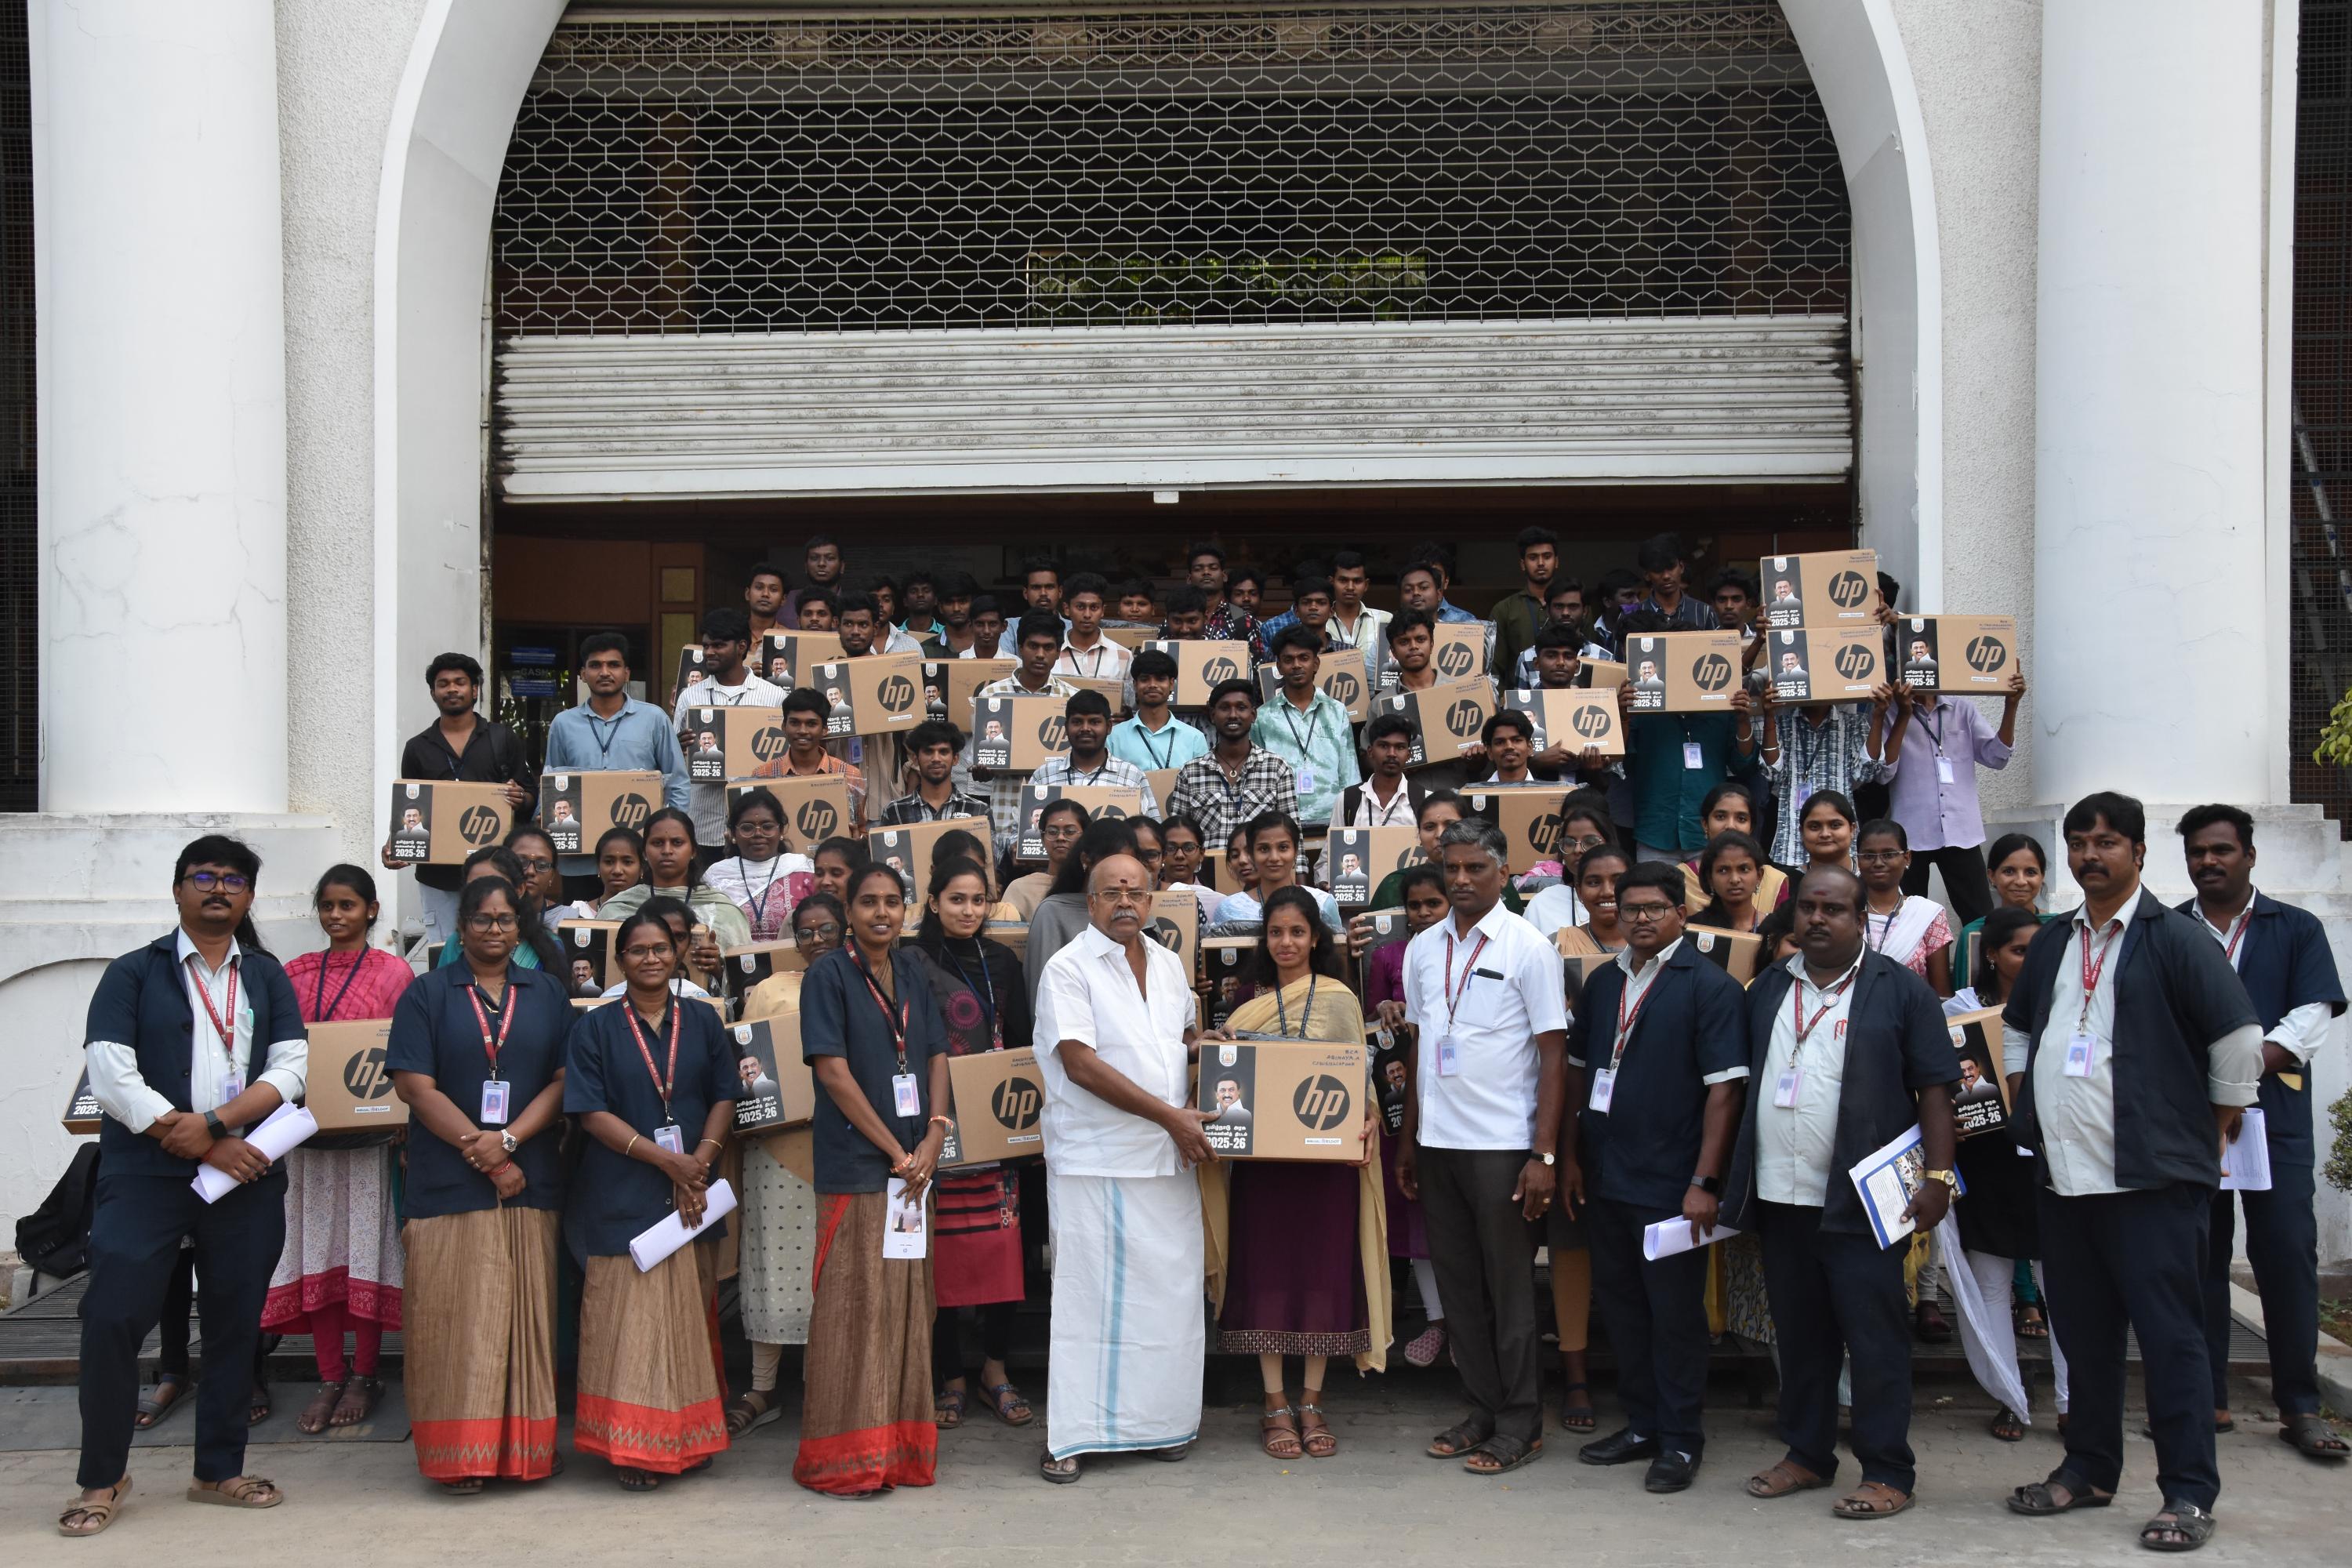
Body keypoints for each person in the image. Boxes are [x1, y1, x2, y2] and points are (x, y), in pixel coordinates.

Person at [2000, 792, 2263, 1552]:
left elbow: (2241, 1038)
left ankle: (2187, 1490)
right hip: (2066, 1178)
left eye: (2107, 841)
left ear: (2139, 852)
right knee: (2084, 1339)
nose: (2091, 854)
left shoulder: (2174, 937)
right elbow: (2017, 1030)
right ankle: (2088, 1468)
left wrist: (2209, 1130)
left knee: (2171, 1339)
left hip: (2151, 1181)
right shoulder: (2053, 939)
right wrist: (2028, 1104)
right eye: (2079, 841)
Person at [64, 837, 307, 1537]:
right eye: (204, 877)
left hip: (241, 1174)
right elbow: (109, 1073)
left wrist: (217, 1128)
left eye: (234, 880)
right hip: (145, 1173)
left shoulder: (264, 976)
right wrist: (184, 1130)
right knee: (112, 1318)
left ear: (250, 897)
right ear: (177, 890)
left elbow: (291, 1067)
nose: (218, 889)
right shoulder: (133, 973)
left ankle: (217, 1471)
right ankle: (102, 1477)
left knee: (234, 1323)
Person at [1723, 864, 1958, 1519]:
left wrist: (1939, 1178)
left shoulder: (1901, 992)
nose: (1817, 919)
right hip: (1781, 1195)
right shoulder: (1767, 987)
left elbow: (1936, 1089)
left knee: (1875, 1337)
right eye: (1807, 908)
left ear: (1862, 920)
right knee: (1800, 1336)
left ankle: (1888, 1471)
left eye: (1834, 910)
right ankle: (1807, 1454)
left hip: (1861, 1200)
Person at [1566, 861, 1747, 1494]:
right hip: (1609, 1175)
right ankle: (1642, 1424)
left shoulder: (1710, 987)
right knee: (1622, 1308)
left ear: (1681, 913)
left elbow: (1724, 1095)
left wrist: (1705, 1181)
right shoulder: (1602, 984)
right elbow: (1581, 1074)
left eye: (1652, 909)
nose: (1638, 918)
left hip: (1672, 1183)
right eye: (1628, 907)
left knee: (1674, 1315)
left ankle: (1680, 1438)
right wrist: (1571, 1160)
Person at [2175, 804, 2349, 1458]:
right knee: (2198, 1259)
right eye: (2197, 853)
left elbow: (2310, 1019)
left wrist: (2232, 1074)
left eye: (2221, 850)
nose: (2208, 862)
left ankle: (2300, 1406)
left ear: (2249, 855)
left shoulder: (2295, 928)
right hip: (2189, 1124)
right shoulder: (2170, 931)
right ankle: (2206, 1399)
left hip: (2273, 1122)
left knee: (2285, 1258)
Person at [1392, 818, 1564, 1478]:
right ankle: (1482, 1408)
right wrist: (1409, 1139)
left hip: (1502, 1146)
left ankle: (1522, 1420)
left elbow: (1553, 1056)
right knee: (1461, 1289)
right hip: (1438, 1144)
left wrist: (1542, 1155)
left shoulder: (1527, 948)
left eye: (1474, 870)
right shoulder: (1422, 949)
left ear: (1502, 871)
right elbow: (1419, 1045)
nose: (1461, 880)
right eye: (1451, 869)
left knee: (1509, 1289)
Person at [1031, 853, 1211, 1482]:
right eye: (1111, 893)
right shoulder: (1067, 968)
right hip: (1097, 1157)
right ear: (1091, 900)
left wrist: (1207, 1056)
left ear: (1155, 896)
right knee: (1090, 1301)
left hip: (1166, 1157)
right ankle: (1074, 1435)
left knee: (1168, 1296)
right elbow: (1077, 1062)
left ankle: (1159, 1423)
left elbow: (1183, 1038)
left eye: (1136, 891)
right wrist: (1169, 1115)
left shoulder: (1166, 964)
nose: (1125, 903)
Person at [389, 874, 572, 1493]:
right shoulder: (428, 994)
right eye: (482, 919)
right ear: (461, 925)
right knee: (454, 1321)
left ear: (521, 927)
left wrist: (511, 1141)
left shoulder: (545, 991)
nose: (494, 930)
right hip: (449, 1183)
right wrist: (490, 1154)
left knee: (525, 1321)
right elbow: (415, 1086)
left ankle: (524, 1454)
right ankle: (459, 1458)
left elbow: (563, 1080)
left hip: (531, 1179)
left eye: (505, 920)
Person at [1202, 886, 1385, 1461]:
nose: (1286, 942)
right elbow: (1227, 1093)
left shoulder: (1339, 1000)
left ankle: (1313, 1400)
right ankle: (1275, 1402)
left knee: (1323, 1272)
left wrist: (1368, 1122)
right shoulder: (1243, 1009)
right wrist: (1219, 1049)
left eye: (1297, 932)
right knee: (1269, 1275)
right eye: (1276, 933)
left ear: (1316, 939)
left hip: (1326, 1165)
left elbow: (1362, 1084)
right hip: (1267, 1170)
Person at [793, 863, 953, 1498]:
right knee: (855, 1309)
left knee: (907, 1309)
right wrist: (896, 1151)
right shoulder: (829, 974)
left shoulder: (913, 970)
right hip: (862, 1169)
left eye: (892, 902)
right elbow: (832, 1072)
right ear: (848, 912)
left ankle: (899, 1452)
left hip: (916, 1167)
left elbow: (937, 1053)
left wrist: (936, 1135)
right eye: (868, 903)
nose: (882, 913)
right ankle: (845, 1458)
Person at [564, 909, 739, 1489]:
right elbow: (590, 1113)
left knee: (688, 1319)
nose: (651, 959)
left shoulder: (704, 1020)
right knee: (628, 1326)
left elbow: (725, 1094)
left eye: (661, 948)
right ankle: (635, 1450)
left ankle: (689, 1437)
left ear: (679, 952)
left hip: (692, 1190)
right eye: (638, 950)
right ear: (620, 961)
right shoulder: (594, 1027)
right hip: (622, 1191)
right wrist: (671, 1162)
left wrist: (699, 1165)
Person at [270, 867, 414, 1436]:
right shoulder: (295, 974)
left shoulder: (394, 973)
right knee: (315, 1254)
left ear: (372, 910)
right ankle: (330, 1375)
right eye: (327, 905)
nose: (336, 916)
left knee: (365, 1254)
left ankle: (365, 1373)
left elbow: (405, 1049)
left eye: (348, 905)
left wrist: (404, 1121)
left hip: (369, 1140)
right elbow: (280, 1047)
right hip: (306, 1137)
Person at [910, 856, 1036, 1432]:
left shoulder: (1002, 962)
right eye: (956, 899)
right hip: (935, 1125)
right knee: (941, 1265)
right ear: (934, 902)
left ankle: (994, 1370)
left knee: (1001, 1257)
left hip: (995, 1123)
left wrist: (1022, 1118)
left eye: (978, 900)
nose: (968, 910)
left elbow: (1022, 1041)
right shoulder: (912, 963)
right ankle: (950, 1377)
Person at [1944, 905, 2070, 1444]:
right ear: (1991, 954)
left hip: (2052, 1158)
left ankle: (2073, 1402)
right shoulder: (1960, 1010)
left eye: (2039, 950)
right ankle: (2008, 1396)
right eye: (2020, 950)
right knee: (1991, 1283)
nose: (2031, 960)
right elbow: (1948, 1088)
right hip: (1987, 1159)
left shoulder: (2067, 1005)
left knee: (2062, 1287)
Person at [724, 891, 846, 1437]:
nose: (817, 940)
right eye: (807, 932)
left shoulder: (866, 984)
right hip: (778, 1151)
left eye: (827, 930)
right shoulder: (772, 990)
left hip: (848, 1146)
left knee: (839, 1272)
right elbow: (751, 1065)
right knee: (774, 1265)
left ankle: (834, 1382)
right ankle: (763, 1387)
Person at [386, 652, 537, 949]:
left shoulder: (503, 738)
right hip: (439, 878)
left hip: (497, 870)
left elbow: (531, 798)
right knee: (445, 950)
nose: (452, 689)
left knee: (499, 946)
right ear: (433, 693)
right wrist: (395, 845)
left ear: (475, 689)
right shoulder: (417, 748)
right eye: (443, 684)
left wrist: (521, 797)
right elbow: (411, 809)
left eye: (460, 682)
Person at [1366, 864, 1451, 1366]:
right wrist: (1385, 1007)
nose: (1422, 914)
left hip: (1453, 1090)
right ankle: (1438, 1322)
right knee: (1414, 1213)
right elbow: (1369, 1014)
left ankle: (1467, 1324)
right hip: (1402, 1095)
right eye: (1414, 906)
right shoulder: (1389, 954)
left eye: (1431, 904)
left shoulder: (1458, 953)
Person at [1874, 667, 2028, 925]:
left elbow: (1997, 757)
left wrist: (2010, 705)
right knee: (1907, 923)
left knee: (1980, 919)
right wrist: (1903, 713)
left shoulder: (1963, 710)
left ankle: (1980, 966)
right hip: (1911, 835)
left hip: (1961, 832)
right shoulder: (1889, 712)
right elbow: (1883, 774)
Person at [1612, 609, 1758, 864]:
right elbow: (1621, 762)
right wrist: (1623, 714)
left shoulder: (1721, 706)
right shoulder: (1643, 708)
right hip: (1655, 833)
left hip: (1707, 837)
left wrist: (1743, 719)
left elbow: (1743, 765)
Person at [544, 633, 692, 884]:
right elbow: (553, 782)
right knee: (581, 921)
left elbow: (678, 782)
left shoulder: (654, 719)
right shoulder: (563, 724)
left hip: (638, 859)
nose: (604, 672)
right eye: (595, 665)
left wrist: (665, 835)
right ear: (582, 674)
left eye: (613, 665)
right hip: (581, 862)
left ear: (627, 673)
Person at [670, 607, 787, 849]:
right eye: (706, 646)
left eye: (718, 645)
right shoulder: (689, 697)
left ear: (741, 647)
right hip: (702, 825)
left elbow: (785, 759)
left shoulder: (774, 697)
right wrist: (679, 746)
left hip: (755, 830)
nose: (709, 652)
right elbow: (674, 764)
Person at [969, 614, 1083, 855]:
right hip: (1004, 812)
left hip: (1057, 820)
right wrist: (981, 769)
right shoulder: (992, 696)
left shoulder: (1072, 699)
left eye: (1048, 647)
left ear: (1058, 651)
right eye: (1033, 646)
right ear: (1020, 648)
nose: (1040, 654)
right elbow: (981, 759)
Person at [1755, 678, 1896, 866]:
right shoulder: (1782, 723)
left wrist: (1878, 716)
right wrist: (1770, 716)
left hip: (1839, 844)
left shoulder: (1852, 724)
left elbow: (1866, 772)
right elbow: (1771, 772)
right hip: (1792, 845)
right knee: (1795, 894)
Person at [596, 808, 753, 956]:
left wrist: (718, 970)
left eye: (677, 843)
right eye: (657, 843)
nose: (667, 851)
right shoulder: (616, 909)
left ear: (693, 851)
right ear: (644, 852)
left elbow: (742, 974)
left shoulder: (724, 911)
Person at [1166, 677, 1299, 849]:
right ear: (1213, 715)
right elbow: (1177, 837)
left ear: (1253, 715)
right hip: (1208, 874)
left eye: (1241, 708)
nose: (1233, 715)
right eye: (1225, 708)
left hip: (1262, 873)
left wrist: (1300, 874)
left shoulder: (1277, 768)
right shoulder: (1190, 772)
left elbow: (1294, 836)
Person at [1254, 623, 1359, 831]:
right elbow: (1258, 780)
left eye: (1304, 658)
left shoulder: (1337, 711)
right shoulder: (1263, 717)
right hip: (1281, 823)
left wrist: (1350, 822)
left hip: (1332, 821)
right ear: (1278, 667)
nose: (1296, 665)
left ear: (1316, 663)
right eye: (1288, 659)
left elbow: (1350, 774)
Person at [1025, 817, 1144, 1000]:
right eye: (1109, 863)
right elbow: (1041, 991)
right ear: (1086, 860)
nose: (1120, 872)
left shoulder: (1137, 909)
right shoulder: (1053, 913)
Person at [1855, 818, 1955, 996]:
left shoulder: (1928, 914)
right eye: (1869, 856)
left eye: (1888, 854)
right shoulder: (1846, 912)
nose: (1878, 863)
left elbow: (1941, 995)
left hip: (1912, 1019)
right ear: (1858, 860)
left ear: (1907, 857)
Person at [702, 786, 814, 940]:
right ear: (733, 834)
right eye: (747, 828)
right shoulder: (715, 877)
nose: (758, 834)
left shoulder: (803, 870)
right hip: (733, 963)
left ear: (781, 831)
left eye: (767, 827)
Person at [753, 686, 870, 833]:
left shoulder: (850, 775)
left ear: (825, 730)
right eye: (795, 723)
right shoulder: (762, 776)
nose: (802, 731)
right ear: (783, 726)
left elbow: (860, 829)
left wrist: (857, 839)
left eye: (811, 724)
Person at [1214, 810, 1344, 933]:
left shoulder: (1322, 904)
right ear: (1252, 855)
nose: (1274, 858)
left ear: (1295, 852)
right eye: (1264, 849)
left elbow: (1337, 952)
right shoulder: (1229, 910)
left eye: (1283, 847)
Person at [1031, 689, 1159, 815]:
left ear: (1109, 727)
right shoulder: (1044, 775)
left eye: (1094, 722)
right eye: (1077, 722)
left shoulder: (1133, 776)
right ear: (1066, 728)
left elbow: (1151, 830)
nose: (1085, 728)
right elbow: (1022, 831)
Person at [1954, 832, 2055, 985]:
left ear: (2042, 877)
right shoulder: (1974, 932)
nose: (2021, 881)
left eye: (2031, 872)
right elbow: (1963, 999)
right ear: (1992, 876)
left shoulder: (2058, 928)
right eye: (2009, 871)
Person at [1521, 804, 1617, 938]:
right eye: (1570, 842)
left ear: (1609, 844)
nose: (1578, 850)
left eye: (1590, 841)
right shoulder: (1542, 904)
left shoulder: (1629, 897)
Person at [1110, 648, 1211, 775]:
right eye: (1145, 679)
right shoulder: (1114, 737)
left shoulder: (1194, 738)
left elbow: (1200, 785)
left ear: (1171, 684)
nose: (1152, 685)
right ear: (1135, 685)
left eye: (1160, 679)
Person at [878, 719, 991, 826]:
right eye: (928, 752)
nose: (936, 758)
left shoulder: (979, 811)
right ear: (915, 759)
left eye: (943, 752)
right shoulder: (895, 812)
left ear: (955, 759)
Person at [1328, 712, 1425, 837]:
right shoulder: (1347, 800)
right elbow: (1331, 853)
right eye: (1384, 746)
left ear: (1408, 754)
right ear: (1370, 751)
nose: (1392, 753)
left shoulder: (1423, 800)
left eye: (1400, 747)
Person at [1489, 525, 1561, 675]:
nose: (1541, 563)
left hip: (1569, 695)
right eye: (1533, 557)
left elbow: (1590, 656)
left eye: (1547, 556)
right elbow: (1494, 667)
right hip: (1516, 694)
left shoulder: (1573, 606)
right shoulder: (1504, 609)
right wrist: (1501, 697)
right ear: (1523, 564)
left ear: (1556, 562)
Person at [1004, 797, 1087, 920]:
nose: (1061, 838)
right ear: (1042, 838)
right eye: (1053, 832)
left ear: (1086, 836)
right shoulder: (1021, 889)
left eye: (1070, 832)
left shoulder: (1095, 887)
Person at [1186, 540, 1264, 655]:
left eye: (1213, 568)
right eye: (1198, 569)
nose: (1206, 572)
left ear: (1224, 576)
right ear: (1189, 578)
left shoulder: (1243, 619)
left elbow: (1257, 667)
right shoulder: (1176, 618)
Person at [1690, 830, 1773, 935]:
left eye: (1744, 869)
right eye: (1723, 870)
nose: (1735, 879)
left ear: (1759, 876)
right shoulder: (1694, 929)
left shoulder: (1774, 930)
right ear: (1710, 878)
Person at [1054, 572, 1131, 683]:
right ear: (1066, 609)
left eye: (1094, 607)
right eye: (1080, 607)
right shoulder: (1052, 655)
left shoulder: (1123, 656)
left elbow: (1129, 699)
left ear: (1103, 610)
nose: (1087, 615)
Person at [1632, 532, 1719, 630]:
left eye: (1671, 567)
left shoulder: (1704, 613)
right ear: (1647, 575)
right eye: (1658, 570)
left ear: (1681, 567)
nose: (1666, 576)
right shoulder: (1632, 615)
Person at [569, 826, 646, 918]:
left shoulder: (653, 913)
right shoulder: (580, 912)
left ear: (642, 868)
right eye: (609, 862)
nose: (617, 870)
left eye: (627, 862)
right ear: (598, 866)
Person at [1325, 550, 1391, 653]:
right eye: (1343, 580)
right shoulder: (1319, 623)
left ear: (1366, 585)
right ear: (1331, 582)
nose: (1350, 587)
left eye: (1357, 581)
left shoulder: (1386, 620)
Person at [779, 533, 844, 628]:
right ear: (806, 566)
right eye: (814, 558)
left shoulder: (853, 604)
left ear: (842, 566)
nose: (821, 564)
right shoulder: (785, 601)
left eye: (830, 558)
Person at [1797, 787, 1859, 873]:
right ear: (1802, 832)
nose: (1825, 834)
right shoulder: (1786, 882)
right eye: (1814, 827)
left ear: (1852, 830)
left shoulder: (1871, 878)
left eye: (1835, 825)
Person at [745, 561, 791, 645]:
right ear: (747, 594)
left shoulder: (790, 638)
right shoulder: (731, 633)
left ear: (783, 599)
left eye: (773, 589)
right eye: (759, 587)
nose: (765, 594)